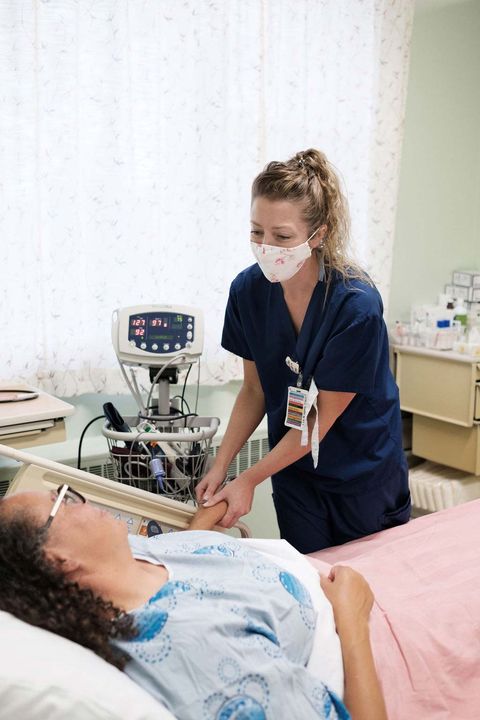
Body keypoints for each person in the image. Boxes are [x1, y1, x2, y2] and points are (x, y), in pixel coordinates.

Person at [0, 486, 387, 720]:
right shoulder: (199, 653)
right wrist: (353, 619)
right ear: (58, 561)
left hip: (338, 574)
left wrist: (203, 526)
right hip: (367, 622)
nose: (82, 501)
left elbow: (191, 574)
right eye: (62, 503)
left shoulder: (123, 559)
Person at [196, 148, 410, 552]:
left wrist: (249, 479)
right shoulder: (248, 291)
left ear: (319, 235)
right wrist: (221, 466)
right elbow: (255, 391)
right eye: (257, 231)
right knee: (308, 579)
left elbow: (316, 422)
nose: (266, 246)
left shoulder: (355, 306)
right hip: (294, 469)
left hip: (360, 475)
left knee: (363, 589)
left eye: (282, 237)